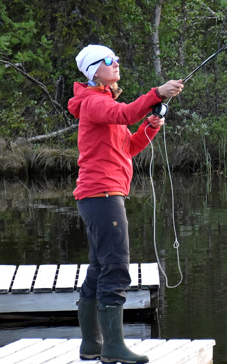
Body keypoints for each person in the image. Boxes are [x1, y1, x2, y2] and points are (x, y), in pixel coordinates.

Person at [69, 44, 184, 363]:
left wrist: (151, 125)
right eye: (108, 60)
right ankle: (112, 348)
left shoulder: (102, 103)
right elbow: (124, 114)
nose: (116, 62)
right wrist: (157, 93)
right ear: (94, 70)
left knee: (100, 267)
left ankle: (92, 345)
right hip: (101, 195)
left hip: (100, 195)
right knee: (116, 267)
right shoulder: (93, 103)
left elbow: (128, 148)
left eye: (116, 58)